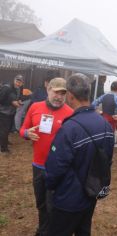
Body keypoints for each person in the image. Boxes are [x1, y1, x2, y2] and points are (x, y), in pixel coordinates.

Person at [45, 73, 114, 235]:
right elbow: (108, 160)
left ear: (69, 96)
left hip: (68, 199)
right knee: (83, 230)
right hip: (90, 193)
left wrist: (50, 186)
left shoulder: (69, 128)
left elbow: (55, 168)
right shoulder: (105, 124)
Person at [19, 77, 73, 236]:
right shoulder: (35, 107)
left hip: (57, 169)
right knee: (41, 203)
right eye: (56, 92)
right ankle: (42, 230)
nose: (59, 97)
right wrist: (27, 134)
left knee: (53, 205)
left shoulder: (70, 113)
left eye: (63, 94)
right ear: (48, 90)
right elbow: (22, 129)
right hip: (38, 165)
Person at [92, 81, 117, 146]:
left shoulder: (104, 95)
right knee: (110, 135)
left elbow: (93, 103)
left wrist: (97, 110)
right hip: (112, 119)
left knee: (103, 133)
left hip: (103, 117)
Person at [0, 74, 24, 155]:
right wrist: (11, 102)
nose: (18, 83)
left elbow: (18, 97)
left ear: (22, 83)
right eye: (17, 81)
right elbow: (1, 100)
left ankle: (5, 141)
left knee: (8, 129)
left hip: (12, 112)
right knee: (4, 130)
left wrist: (19, 100)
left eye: (20, 82)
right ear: (14, 80)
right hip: (3, 112)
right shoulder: (6, 88)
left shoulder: (19, 88)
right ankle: (3, 149)